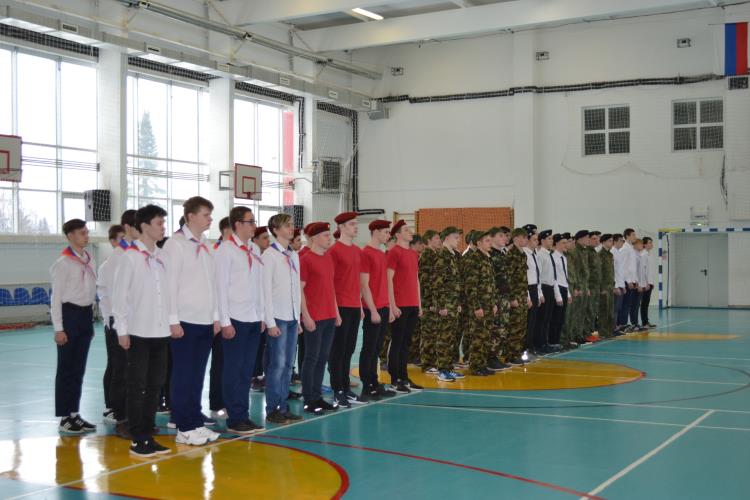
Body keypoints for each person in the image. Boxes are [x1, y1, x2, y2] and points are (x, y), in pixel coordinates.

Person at [112, 204, 172, 457]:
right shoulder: (130, 257)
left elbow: (167, 293)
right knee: (137, 386)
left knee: (155, 385)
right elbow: (120, 297)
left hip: (160, 331)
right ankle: (137, 438)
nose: (163, 228)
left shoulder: (161, 256)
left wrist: (171, 321)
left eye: (163, 223)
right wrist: (122, 330)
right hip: (138, 331)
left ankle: (148, 433)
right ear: (145, 226)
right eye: (159, 223)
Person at [162, 196, 221, 446]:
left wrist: (216, 317)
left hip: (204, 320)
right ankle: (184, 426)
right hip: (185, 320)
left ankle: (195, 422)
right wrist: (173, 320)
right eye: (206, 215)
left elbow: (212, 284)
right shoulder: (175, 245)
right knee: (183, 374)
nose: (210, 219)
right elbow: (169, 285)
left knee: (197, 375)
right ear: (191, 216)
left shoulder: (206, 245)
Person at [214, 206, 265, 434]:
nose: (254, 225)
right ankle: (234, 418)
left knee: (246, 370)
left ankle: (243, 414)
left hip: (253, 317)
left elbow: (258, 285)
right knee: (233, 370)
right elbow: (220, 288)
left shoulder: (254, 248)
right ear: (237, 224)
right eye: (250, 221)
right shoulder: (226, 250)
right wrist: (224, 321)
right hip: (235, 318)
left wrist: (261, 315)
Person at [51, 219, 98, 434]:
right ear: (70, 236)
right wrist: (59, 328)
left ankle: (74, 413)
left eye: (87, 232)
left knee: (78, 368)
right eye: (82, 233)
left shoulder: (88, 260)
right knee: (66, 368)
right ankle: (64, 417)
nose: (86, 236)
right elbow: (56, 298)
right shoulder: (64, 263)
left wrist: (90, 320)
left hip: (85, 315)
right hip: (69, 315)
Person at [99, 210, 139, 436]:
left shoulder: (138, 253)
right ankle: (121, 417)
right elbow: (114, 296)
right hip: (119, 321)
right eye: (138, 225)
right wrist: (116, 324)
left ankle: (135, 416)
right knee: (121, 371)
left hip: (138, 320)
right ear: (127, 228)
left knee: (136, 372)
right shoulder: (117, 258)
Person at [261, 213, 304, 424]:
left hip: (292, 316)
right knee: (276, 365)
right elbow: (265, 291)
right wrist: (269, 322)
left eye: (291, 225)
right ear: (276, 230)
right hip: (277, 317)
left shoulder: (293, 255)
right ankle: (272, 408)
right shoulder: (269, 256)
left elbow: (296, 288)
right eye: (286, 226)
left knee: (288, 365)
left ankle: (283, 405)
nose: (291, 228)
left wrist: (298, 317)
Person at [299, 222, 340, 415]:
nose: (329, 238)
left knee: (322, 358)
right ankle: (309, 399)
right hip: (314, 317)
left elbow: (331, 288)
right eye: (325, 235)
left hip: (329, 316)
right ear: (314, 238)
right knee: (311, 358)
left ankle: (317, 397)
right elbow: (300, 290)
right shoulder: (306, 260)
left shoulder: (328, 258)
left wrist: (336, 313)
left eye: (329, 235)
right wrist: (306, 316)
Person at [328, 212, 365, 407]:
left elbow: (357, 281)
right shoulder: (334, 251)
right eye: (352, 224)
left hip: (354, 306)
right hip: (340, 306)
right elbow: (330, 283)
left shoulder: (357, 251)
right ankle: (337, 390)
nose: (356, 227)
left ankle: (346, 387)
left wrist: (360, 305)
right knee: (338, 350)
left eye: (356, 224)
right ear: (341, 227)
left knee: (349, 349)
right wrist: (335, 310)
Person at [359, 220, 398, 397]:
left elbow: (385, 283)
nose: (388, 235)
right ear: (375, 232)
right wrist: (373, 310)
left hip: (383, 307)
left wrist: (388, 307)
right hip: (372, 308)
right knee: (369, 347)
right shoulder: (366, 253)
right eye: (386, 232)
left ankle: (374, 381)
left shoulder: (382, 254)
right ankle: (367, 385)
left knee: (376, 348)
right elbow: (364, 285)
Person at [386, 220, 423, 393]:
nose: (411, 232)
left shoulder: (413, 254)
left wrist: (419, 304)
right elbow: (389, 280)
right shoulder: (394, 252)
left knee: (407, 343)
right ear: (398, 234)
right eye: (406, 230)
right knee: (397, 342)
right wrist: (392, 305)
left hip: (412, 304)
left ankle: (404, 377)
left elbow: (416, 279)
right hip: (400, 304)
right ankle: (395, 379)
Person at [97, 223, 124, 425]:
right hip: (113, 321)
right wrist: (109, 320)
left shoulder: (130, 262)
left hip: (127, 320)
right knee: (115, 365)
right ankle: (111, 406)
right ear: (113, 242)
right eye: (121, 239)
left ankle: (122, 405)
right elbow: (104, 296)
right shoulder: (107, 266)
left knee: (125, 366)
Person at [431, 227, 465, 382]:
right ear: (446, 238)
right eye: (455, 237)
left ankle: (449, 367)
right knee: (444, 338)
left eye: (458, 237)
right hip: (445, 305)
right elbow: (437, 284)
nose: (458, 240)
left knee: (451, 338)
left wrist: (457, 302)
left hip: (453, 303)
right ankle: (442, 370)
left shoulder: (453, 256)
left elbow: (456, 282)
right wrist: (441, 306)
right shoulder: (442, 256)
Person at [464, 230, 499, 375]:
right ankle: (476, 367)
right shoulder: (473, 259)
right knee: (478, 337)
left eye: (490, 240)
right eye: (487, 241)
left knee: (486, 336)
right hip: (479, 306)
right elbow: (470, 286)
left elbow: (491, 284)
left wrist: (494, 303)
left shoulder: (487, 258)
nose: (490, 243)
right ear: (478, 243)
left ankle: (482, 364)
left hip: (489, 305)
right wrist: (476, 307)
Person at [208, 217, 232, 420]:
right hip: (219, 316)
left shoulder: (236, 251)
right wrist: (218, 318)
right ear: (226, 231)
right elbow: (215, 289)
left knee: (232, 363)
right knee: (220, 362)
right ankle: (217, 403)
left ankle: (229, 400)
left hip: (235, 315)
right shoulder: (216, 252)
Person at [502, 229, 529, 365]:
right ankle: (510, 355)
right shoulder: (511, 254)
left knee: (521, 326)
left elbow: (523, 278)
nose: (526, 240)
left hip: (522, 294)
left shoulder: (522, 254)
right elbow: (509, 278)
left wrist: (526, 296)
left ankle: (517, 353)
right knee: (514, 326)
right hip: (516, 295)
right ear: (516, 238)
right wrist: (512, 297)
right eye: (524, 237)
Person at [417, 229, 440, 372]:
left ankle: (433, 362)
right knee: (428, 333)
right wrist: (429, 302)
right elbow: (425, 281)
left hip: (434, 300)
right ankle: (427, 364)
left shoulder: (434, 254)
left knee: (434, 332)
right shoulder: (427, 255)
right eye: (436, 238)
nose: (439, 241)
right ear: (429, 240)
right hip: (428, 302)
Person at [489, 227, 511, 368]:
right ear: (492, 238)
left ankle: (496, 356)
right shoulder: (490, 255)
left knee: (503, 327)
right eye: (501, 236)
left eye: (505, 236)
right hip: (496, 297)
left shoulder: (502, 254)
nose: (504, 238)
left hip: (504, 297)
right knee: (495, 328)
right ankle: (491, 357)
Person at [535, 230, 560, 353]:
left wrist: (556, 293)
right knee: (541, 319)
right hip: (543, 288)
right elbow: (538, 275)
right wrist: (540, 292)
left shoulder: (550, 254)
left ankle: (545, 342)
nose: (551, 241)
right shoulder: (540, 255)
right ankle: (539, 344)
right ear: (543, 240)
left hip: (550, 288)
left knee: (547, 319)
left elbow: (553, 276)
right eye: (549, 238)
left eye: (551, 238)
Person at [523, 231, 543, 357]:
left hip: (535, 288)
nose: (537, 242)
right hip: (528, 289)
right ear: (528, 240)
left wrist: (540, 293)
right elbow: (524, 277)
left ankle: (531, 345)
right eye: (534, 239)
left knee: (533, 321)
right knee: (528, 321)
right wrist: (528, 296)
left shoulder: (534, 254)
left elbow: (537, 276)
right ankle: (525, 347)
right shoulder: (524, 254)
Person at [550, 234, 571, 349]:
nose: (565, 245)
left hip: (564, 288)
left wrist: (568, 293)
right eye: (563, 243)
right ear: (557, 243)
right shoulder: (553, 257)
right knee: (555, 318)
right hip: (557, 288)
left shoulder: (564, 258)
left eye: (566, 243)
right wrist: (558, 295)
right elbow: (555, 278)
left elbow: (565, 277)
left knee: (562, 318)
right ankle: (553, 342)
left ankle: (558, 341)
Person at [619, 228, 639, 332]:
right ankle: (622, 324)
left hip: (632, 280)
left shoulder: (631, 248)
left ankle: (625, 323)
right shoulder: (624, 249)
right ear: (627, 236)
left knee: (628, 304)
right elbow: (623, 267)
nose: (635, 237)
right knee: (625, 304)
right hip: (626, 281)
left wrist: (635, 280)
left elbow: (632, 267)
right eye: (633, 235)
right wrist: (628, 280)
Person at [598, 234, 616, 338]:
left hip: (610, 286)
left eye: (612, 241)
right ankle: (603, 332)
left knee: (610, 310)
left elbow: (611, 271)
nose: (611, 243)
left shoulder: (610, 255)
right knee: (603, 310)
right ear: (604, 242)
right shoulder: (600, 255)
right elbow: (599, 273)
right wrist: (602, 288)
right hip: (604, 287)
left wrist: (613, 285)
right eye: (609, 241)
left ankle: (609, 330)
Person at [640, 237, 656, 328]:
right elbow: (643, 270)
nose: (651, 244)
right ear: (644, 244)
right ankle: (644, 322)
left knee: (646, 303)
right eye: (649, 242)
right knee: (644, 303)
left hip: (649, 282)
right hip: (645, 284)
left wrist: (651, 282)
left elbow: (650, 271)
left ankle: (646, 321)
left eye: (651, 242)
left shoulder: (650, 254)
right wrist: (645, 283)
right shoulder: (644, 255)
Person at [611, 234, 626, 334]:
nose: (622, 243)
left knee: (618, 308)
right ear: (615, 241)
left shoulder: (618, 252)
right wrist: (615, 286)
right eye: (621, 240)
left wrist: (623, 285)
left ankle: (615, 326)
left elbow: (621, 271)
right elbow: (613, 272)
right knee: (614, 308)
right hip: (616, 285)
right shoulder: (612, 252)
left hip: (620, 284)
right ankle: (613, 328)